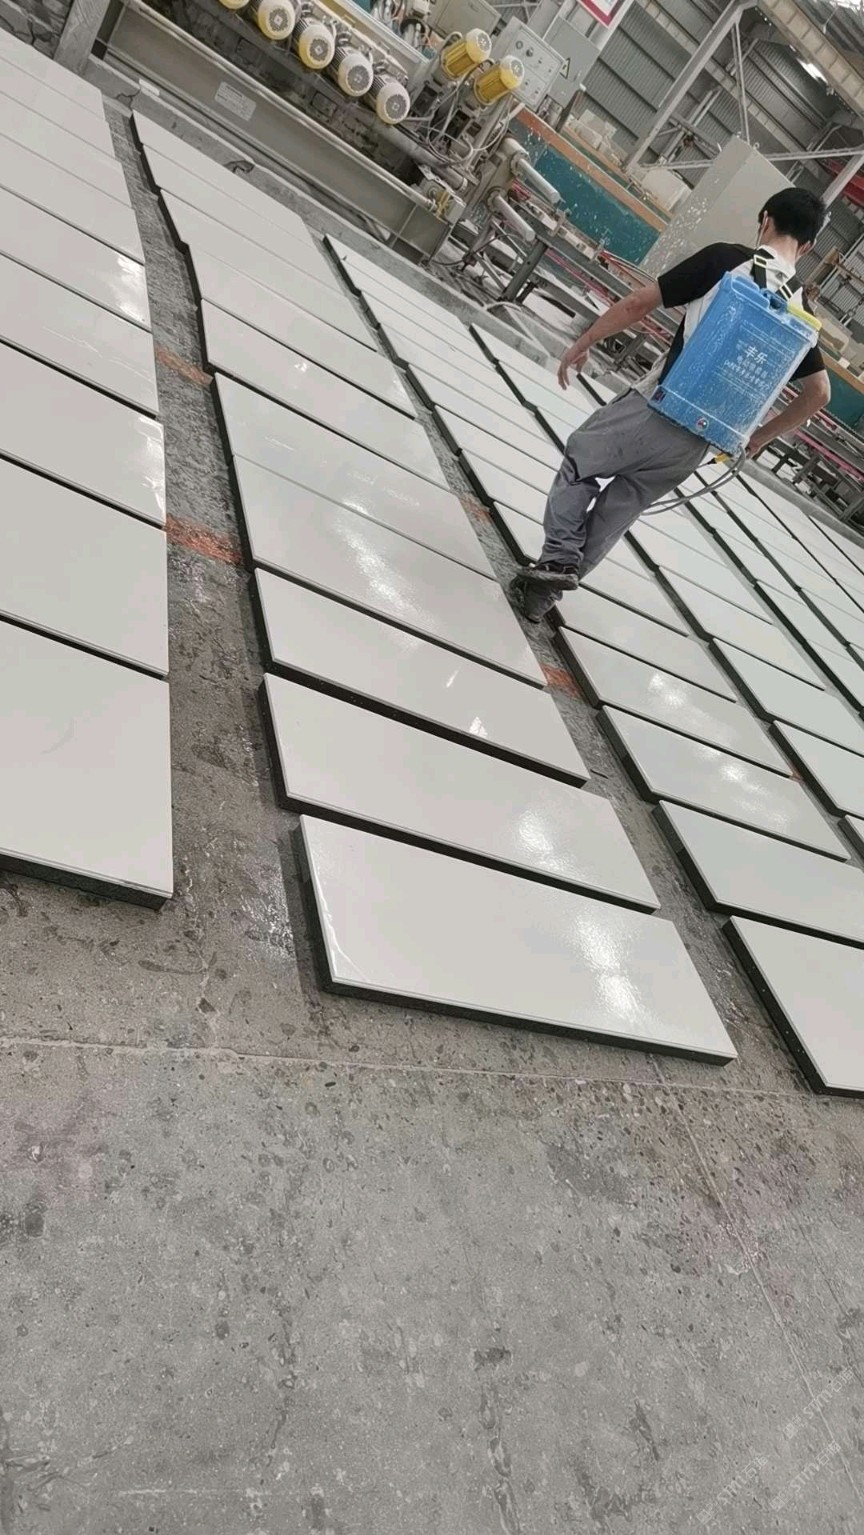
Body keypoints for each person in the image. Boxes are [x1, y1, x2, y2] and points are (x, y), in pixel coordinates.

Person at [510, 187, 831, 622]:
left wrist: (586, 340)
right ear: (807, 247)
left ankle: (558, 560)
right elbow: (819, 394)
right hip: (700, 440)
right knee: (622, 507)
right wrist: (757, 438)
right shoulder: (801, 311)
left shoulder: (727, 260)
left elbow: (639, 302)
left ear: (765, 219)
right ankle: (543, 594)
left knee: (580, 460)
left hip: (660, 404)